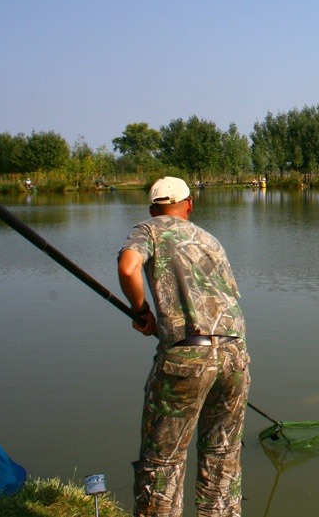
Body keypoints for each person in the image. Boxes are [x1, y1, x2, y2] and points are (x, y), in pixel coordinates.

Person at [117, 176, 250, 516]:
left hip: (186, 357)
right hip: (234, 355)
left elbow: (128, 267)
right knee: (222, 455)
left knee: (163, 461)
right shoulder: (210, 240)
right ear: (190, 204)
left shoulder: (148, 228)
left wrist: (140, 310)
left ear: (152, 209)